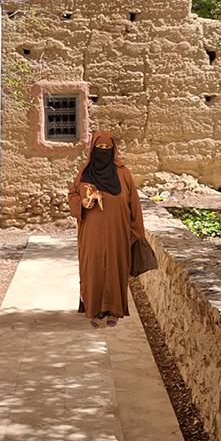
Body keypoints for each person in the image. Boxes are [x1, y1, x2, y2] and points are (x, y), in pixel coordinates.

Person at [67, 131, 145, 328]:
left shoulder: (123, 173)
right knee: (91, 268)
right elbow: (72, 195)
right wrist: (82, 203)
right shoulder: (84, 173)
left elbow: (134, 204)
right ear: (93, 150)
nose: (103, 152)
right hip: (91, 234)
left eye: (107, 149)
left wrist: (136, 233)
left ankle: (114, 311)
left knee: (115, 269)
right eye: (99, 148)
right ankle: (93, 310)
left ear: (113, 150)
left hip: (118, 233)